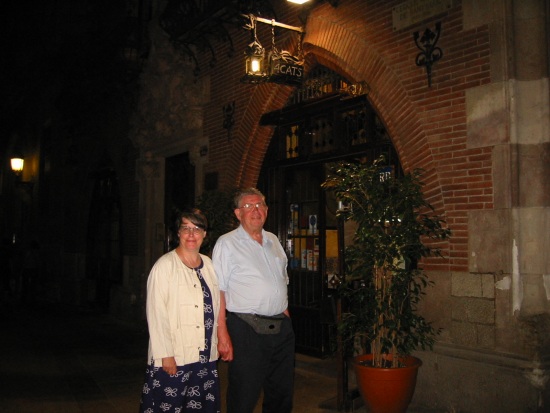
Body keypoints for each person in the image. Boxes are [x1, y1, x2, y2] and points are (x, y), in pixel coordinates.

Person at [213, 188, 295, 413]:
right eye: (249, 206)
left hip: (281, 327)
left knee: (281, 392)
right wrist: (222, 334)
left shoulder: (274, 240)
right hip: (246, 329)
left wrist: (286, 318)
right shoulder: (227, 243)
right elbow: (218, 290)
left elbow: (281, 280)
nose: (255, 210)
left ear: (266, 211)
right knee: (244, 393)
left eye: (260, 205)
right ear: (238, 213)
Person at [139, 209, 222, 413]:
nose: (191, 234)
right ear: (178, 233)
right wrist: (166, 354)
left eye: (197, 229)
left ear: (205, 234)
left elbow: (216, 306)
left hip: (204, 357)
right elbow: (156, 313)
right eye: (186, 228)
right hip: (176, 356)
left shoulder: (209, 265)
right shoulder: (164, 266)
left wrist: (218, 342)